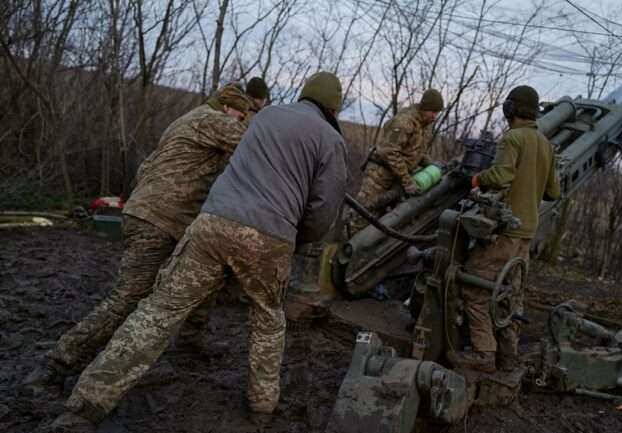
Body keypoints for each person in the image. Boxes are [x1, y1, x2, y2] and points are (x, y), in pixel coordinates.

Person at [42, 71, 348, 432]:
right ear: (333, 108)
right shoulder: (331, 139)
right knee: (267, 319)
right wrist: (296, 237)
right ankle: (262, 408)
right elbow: (324, 210)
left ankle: (85, 405)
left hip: (212, 222)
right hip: (270, 236)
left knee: (159, 311)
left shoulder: (265, 116)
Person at [24, 84, 253, 393]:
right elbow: (258, 144)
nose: (240, 120)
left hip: (152, 215)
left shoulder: (187, 119)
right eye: (240, 114)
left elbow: (148, 166)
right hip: (159, 220)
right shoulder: (215, 120)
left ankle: (189, 343)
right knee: (128, 299)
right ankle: (56, 364)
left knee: (204, 279)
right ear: (228, 108)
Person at [447, 85, 560, 374]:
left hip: (503, 233)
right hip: (526, 235)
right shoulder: (545, 144)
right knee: (510, 295)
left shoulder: (513, 138)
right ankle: (508, 357)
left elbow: (500, 175)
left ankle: (484, 353)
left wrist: (476, 179)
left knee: (474, 286)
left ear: (511, 109)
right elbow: (553, 192)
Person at [348, 88, 444, 234]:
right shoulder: (405, 121)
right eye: (433, 112)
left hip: (397, 177)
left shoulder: (425, 126)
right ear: (425, 107)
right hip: (380, 175)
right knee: (362, 214)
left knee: (383, 220)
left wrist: (431, 165)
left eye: (437, 113)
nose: (435, 117)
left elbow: (417, 152)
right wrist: (407, 180)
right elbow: (390, 151)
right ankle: (343, 244)